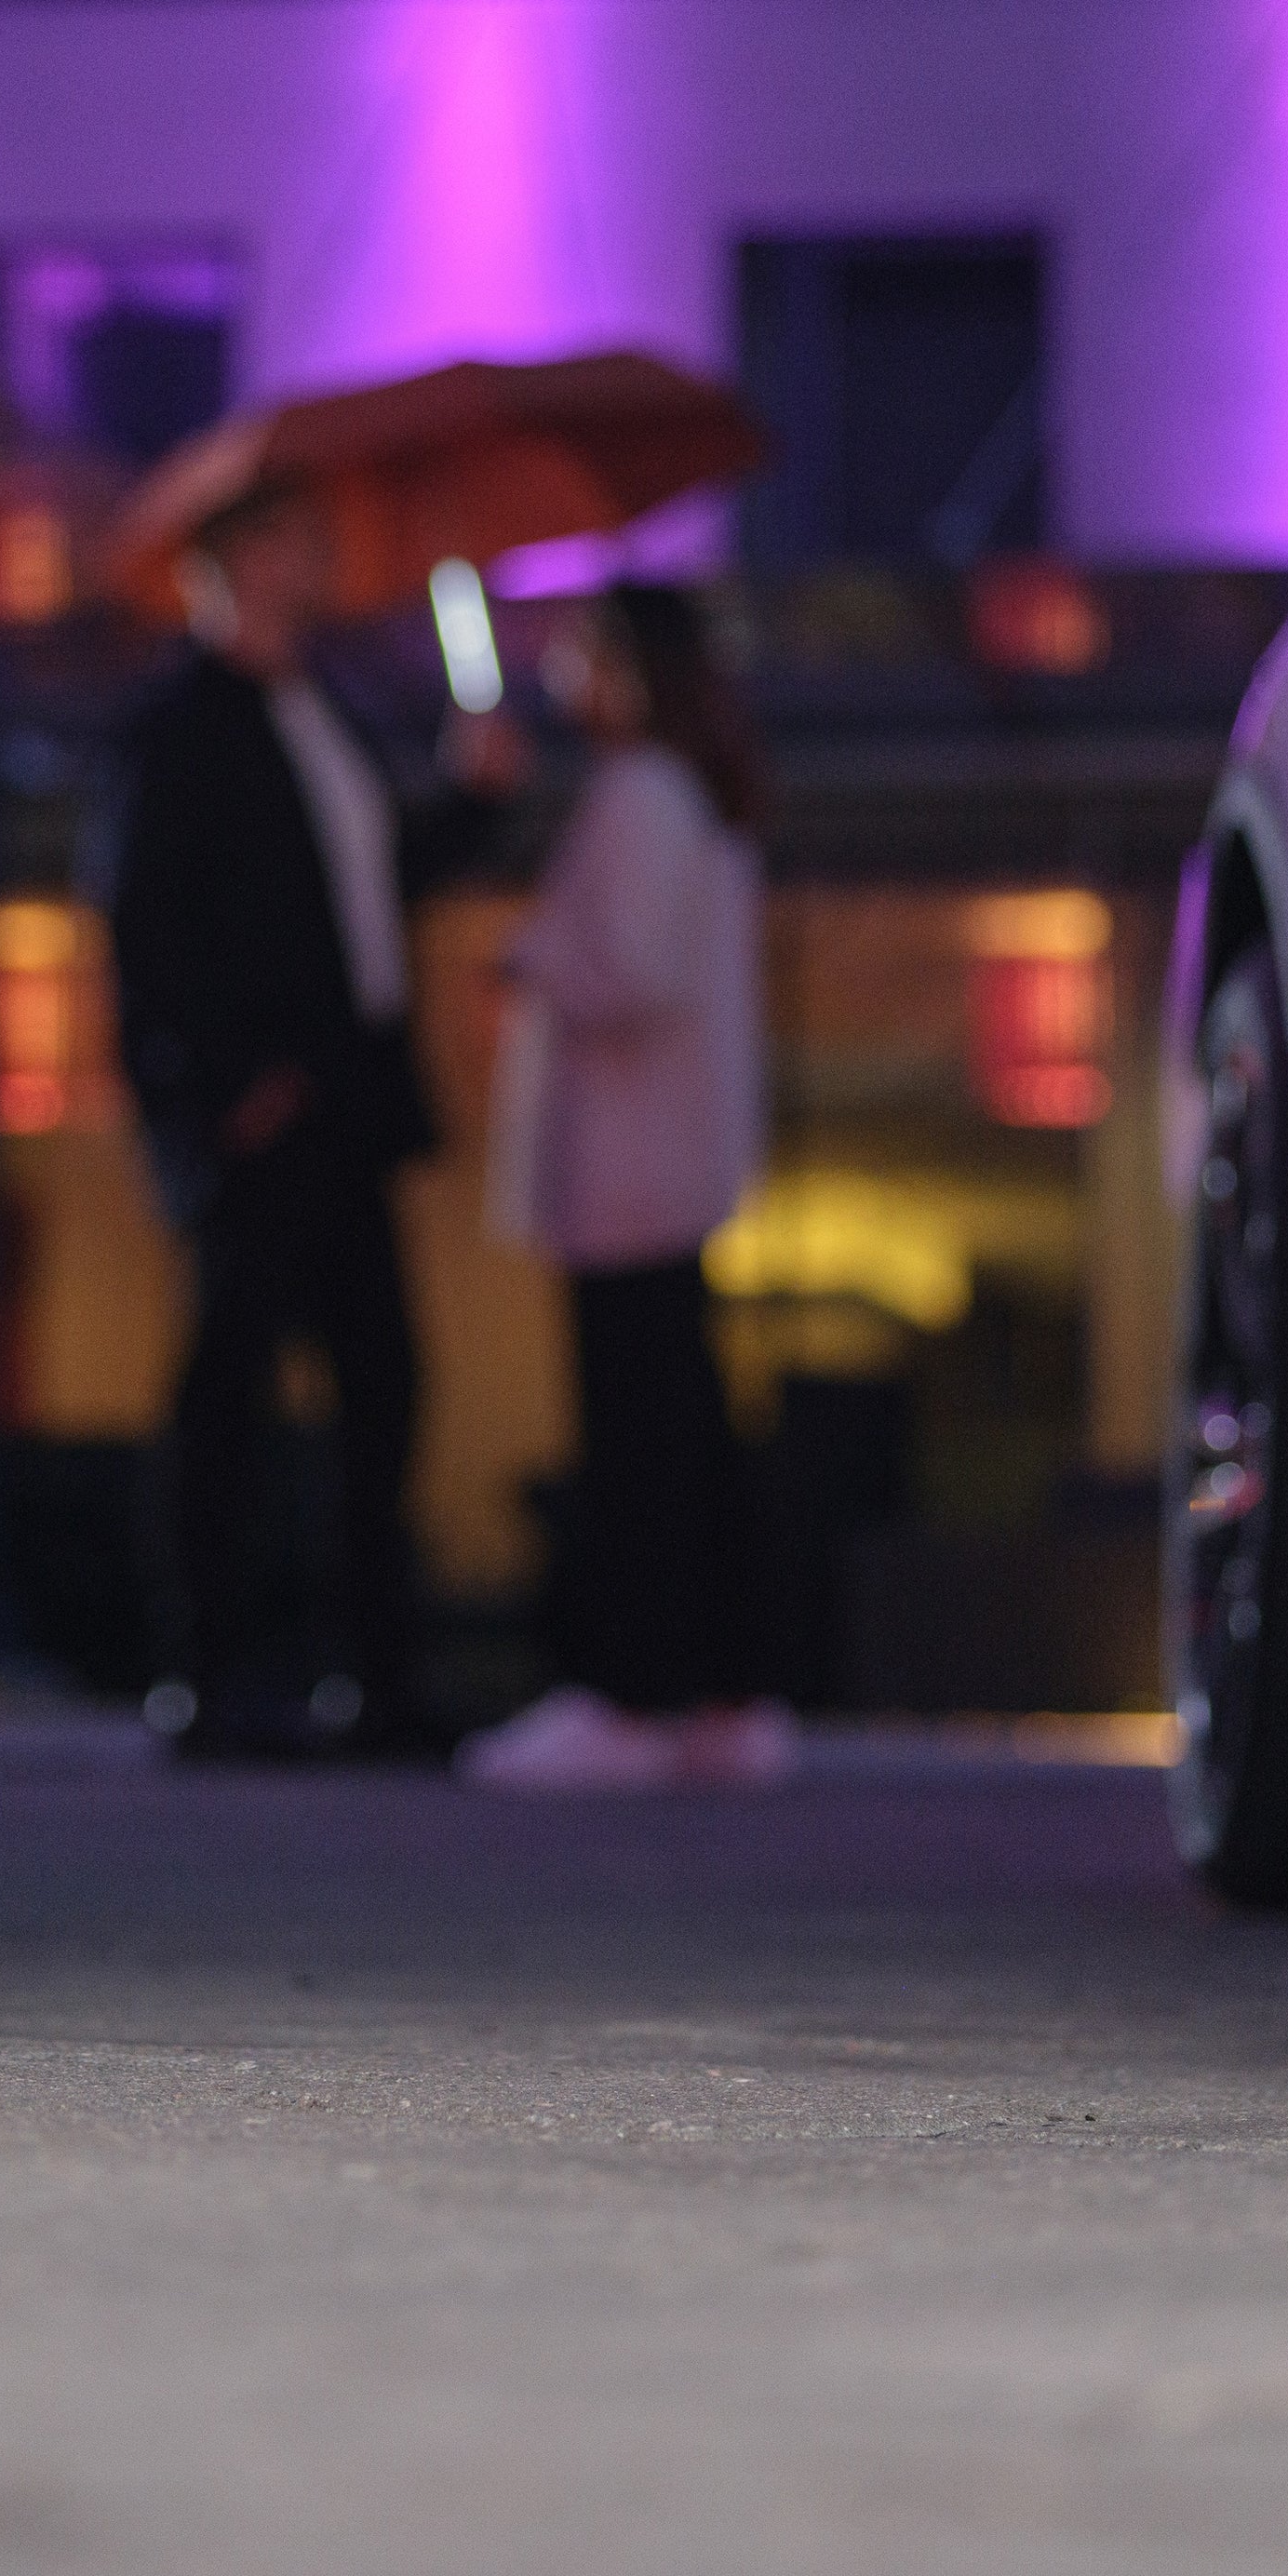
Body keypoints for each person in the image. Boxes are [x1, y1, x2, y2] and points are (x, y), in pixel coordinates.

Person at [104, 482, 515, 1761]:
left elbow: (369, 886)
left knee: (382, 1383)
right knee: (230, 1389)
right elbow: (149, 925)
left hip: (349, 1101)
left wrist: (472, 800)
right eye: (294, 542)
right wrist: (223, 1087)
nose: (322, 562)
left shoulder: (334, 708)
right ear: (228, 560)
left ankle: (376, 1673)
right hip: (264, 1111)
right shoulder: (181, 727)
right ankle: (210, 1671)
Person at [460, 583, 788, 1794]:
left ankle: (635, 1692)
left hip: (632, 1165)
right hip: (667, 1163)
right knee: (684, 1429)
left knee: (639, 1434)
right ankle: (717, 1690)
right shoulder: (688, 793)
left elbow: (632, 969)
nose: (564, 672)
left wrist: (534, 955)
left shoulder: (643, 793)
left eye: (584, 652)